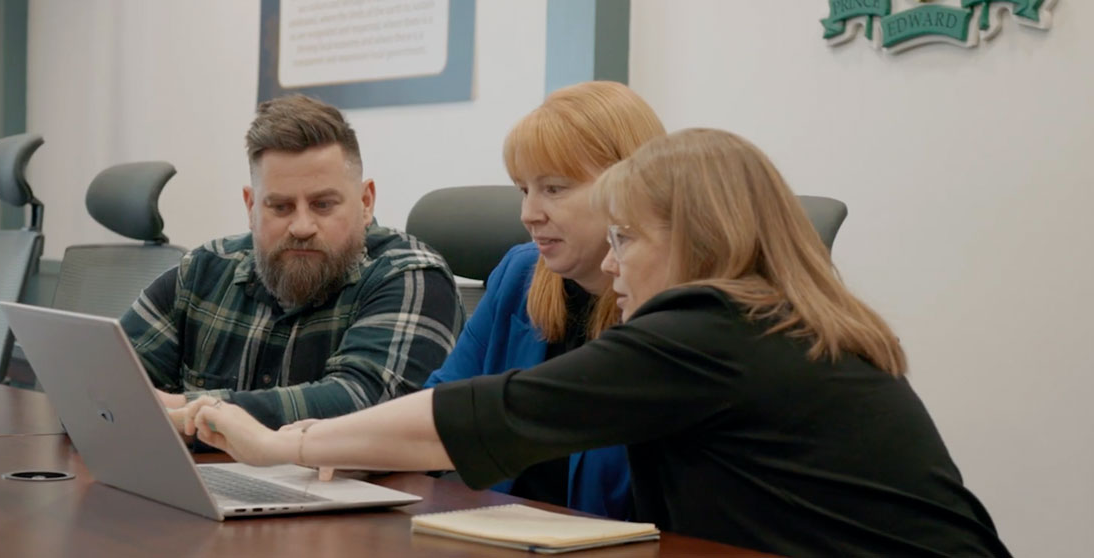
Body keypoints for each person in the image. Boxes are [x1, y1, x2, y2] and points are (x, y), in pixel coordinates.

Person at [179, 128, 1012, 557]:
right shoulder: (781, 320)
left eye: (625, 240)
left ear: (690, 234)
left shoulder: (708, 332)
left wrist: (278, 442)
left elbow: (486, 412)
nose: (611, 267)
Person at [119, 94, 464, 431]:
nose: (301, 227)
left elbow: (362, 403)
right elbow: (107, 383)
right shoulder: (202, 270)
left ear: (365, 201)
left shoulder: (411, 276)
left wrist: (189, 411)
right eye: (280, 207)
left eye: (323, 205)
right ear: (251, 206)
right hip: (206, 483)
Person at [421, 81, 664, 518]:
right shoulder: (520, 274)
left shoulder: (669, 308)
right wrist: (318, 443)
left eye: (554, 189)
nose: (528, 214)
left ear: (628, 187)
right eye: (523, 189)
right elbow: (439, 409)